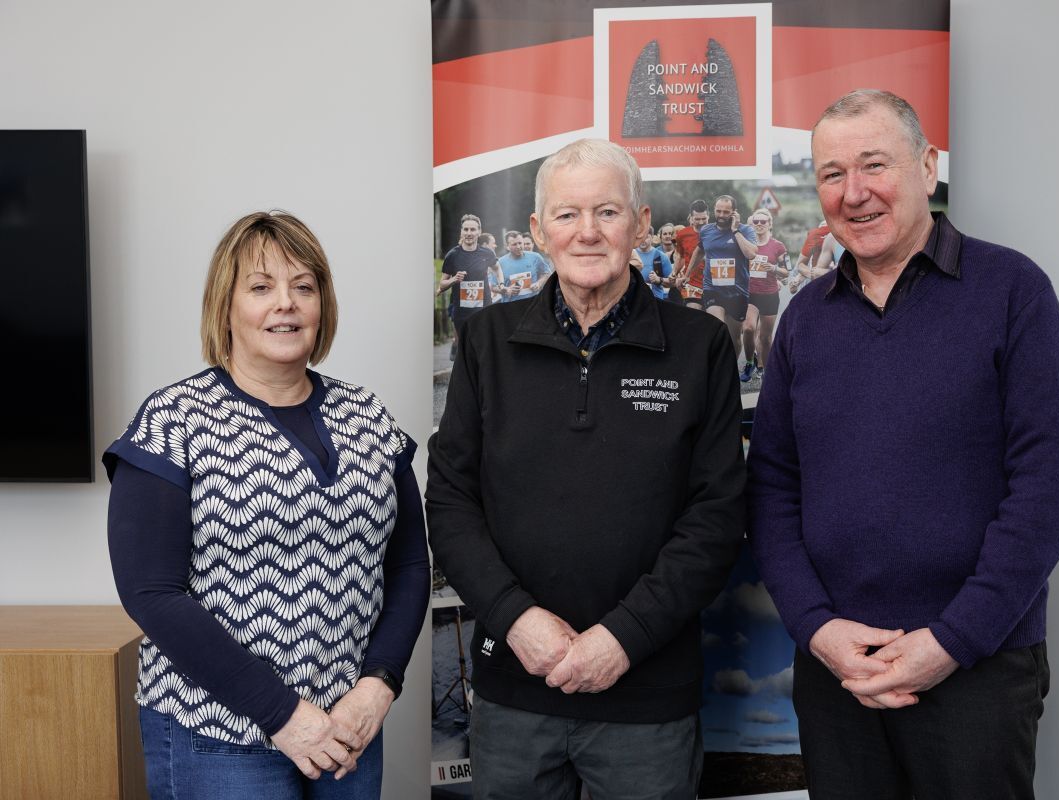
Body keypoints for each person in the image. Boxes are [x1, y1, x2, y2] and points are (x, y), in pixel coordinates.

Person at [746, 89, 1059, 799]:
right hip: (840, 670)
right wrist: (818, 629)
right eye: (832, 173)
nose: (854, 192)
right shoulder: (806, 319)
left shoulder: (1013, 292)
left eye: (875, 164)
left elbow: (1049, 486)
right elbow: (772, 487)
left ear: (928, 168)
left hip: (978, 667)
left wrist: (952, 641)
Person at [426, 138, 745, 800]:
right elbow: (451, 502)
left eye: (607, 211)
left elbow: (717, 518)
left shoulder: (699, 348)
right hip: (516, 690)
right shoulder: (486, 343)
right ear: (540, 232)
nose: (589, 232)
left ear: (642, 223)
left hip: (648, 700)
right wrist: (518, 621)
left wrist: (619, 640)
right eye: (567, 215)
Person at [105, 211, 431, 799]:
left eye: (304, 286)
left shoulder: (369, 417)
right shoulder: (174, 421)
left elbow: (408, 565)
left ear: (323, 304)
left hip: (348, 733)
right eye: (261, 287)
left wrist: (379, 685)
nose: (286, 303)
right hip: (216, 737)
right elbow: (150, 592)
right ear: (224, 305)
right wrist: (282, 714)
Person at [688, 194, 758, 359]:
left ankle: (732, 366)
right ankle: (720, 368)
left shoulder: (746, 230)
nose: (721, 215)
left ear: (734, 212)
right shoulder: (706, 230)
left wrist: (736, 230)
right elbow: (700, 250)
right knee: (719, 328)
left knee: (734, 337)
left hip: (737, 291)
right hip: (712, 287)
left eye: (726, 212)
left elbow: (750, 254)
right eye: (718, 211)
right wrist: (687, 273)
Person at [740, 211, 790, 380]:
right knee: (748, 328)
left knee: (766, 338)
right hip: (749, 293)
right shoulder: (747, 244)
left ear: (770, 224)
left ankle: (768, 375)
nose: (759, 224)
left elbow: (786, 272)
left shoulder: (778, 246)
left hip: (769, 294)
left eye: (763, 221)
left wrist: (774, 269)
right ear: (752, 224)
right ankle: (749, 362)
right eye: (756, 221)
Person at [437, 214, 501, 340]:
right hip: (462, 313)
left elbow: (497, 268)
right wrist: (453, 279)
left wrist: (501, 283)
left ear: (479, 232)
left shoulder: (487, 253)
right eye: (466, 229)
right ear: (461, 232)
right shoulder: (452, 255)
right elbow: (442, 285)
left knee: (482, 346)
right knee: (466, 349)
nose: (469, 233)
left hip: (483, 309)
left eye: (472, 229)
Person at [495, 229, 551, 301]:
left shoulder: (535, 257)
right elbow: (492, 286)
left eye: (520, 243)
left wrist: (538, 283)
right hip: (511, 306)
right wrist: (506, 290)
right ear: (507, 246)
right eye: (514, 244)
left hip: (533, 303)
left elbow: (546, 273)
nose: (518, 247)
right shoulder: (500, 263)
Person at [673, 200, 708, 310]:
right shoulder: (682, 234)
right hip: (691, 282)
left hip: (711, 284)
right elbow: (680, 256)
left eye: (704, 219)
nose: (701, 222)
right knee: (694, 313)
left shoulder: (715, 232)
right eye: (697, 219)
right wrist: (674, 272)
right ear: (691, 218)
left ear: (708, 216)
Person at [635, 228, 673, 300]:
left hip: (655, 300)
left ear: (652, 237)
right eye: (640, 237)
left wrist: (659, 280)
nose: (642, 240)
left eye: (646, 237)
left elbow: (672, 283)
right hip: (634, 300)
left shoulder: (660, 256)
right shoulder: (630, 254)